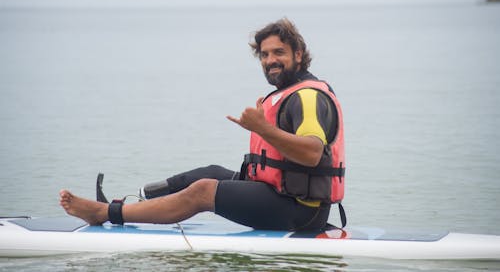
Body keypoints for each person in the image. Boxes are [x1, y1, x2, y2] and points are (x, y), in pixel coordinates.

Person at [60, 18, 346, 231]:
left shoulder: (308, 97)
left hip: (300, 211)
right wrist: (263, 128)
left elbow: (311, 153)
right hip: (281, 195)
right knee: (207, 173)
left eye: (279, 53)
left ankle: (106, 213)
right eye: (264, 54)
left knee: (204, 191)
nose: (270, 60)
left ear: (298, 54)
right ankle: (132, 202)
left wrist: (262, 129)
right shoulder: (289, 93)